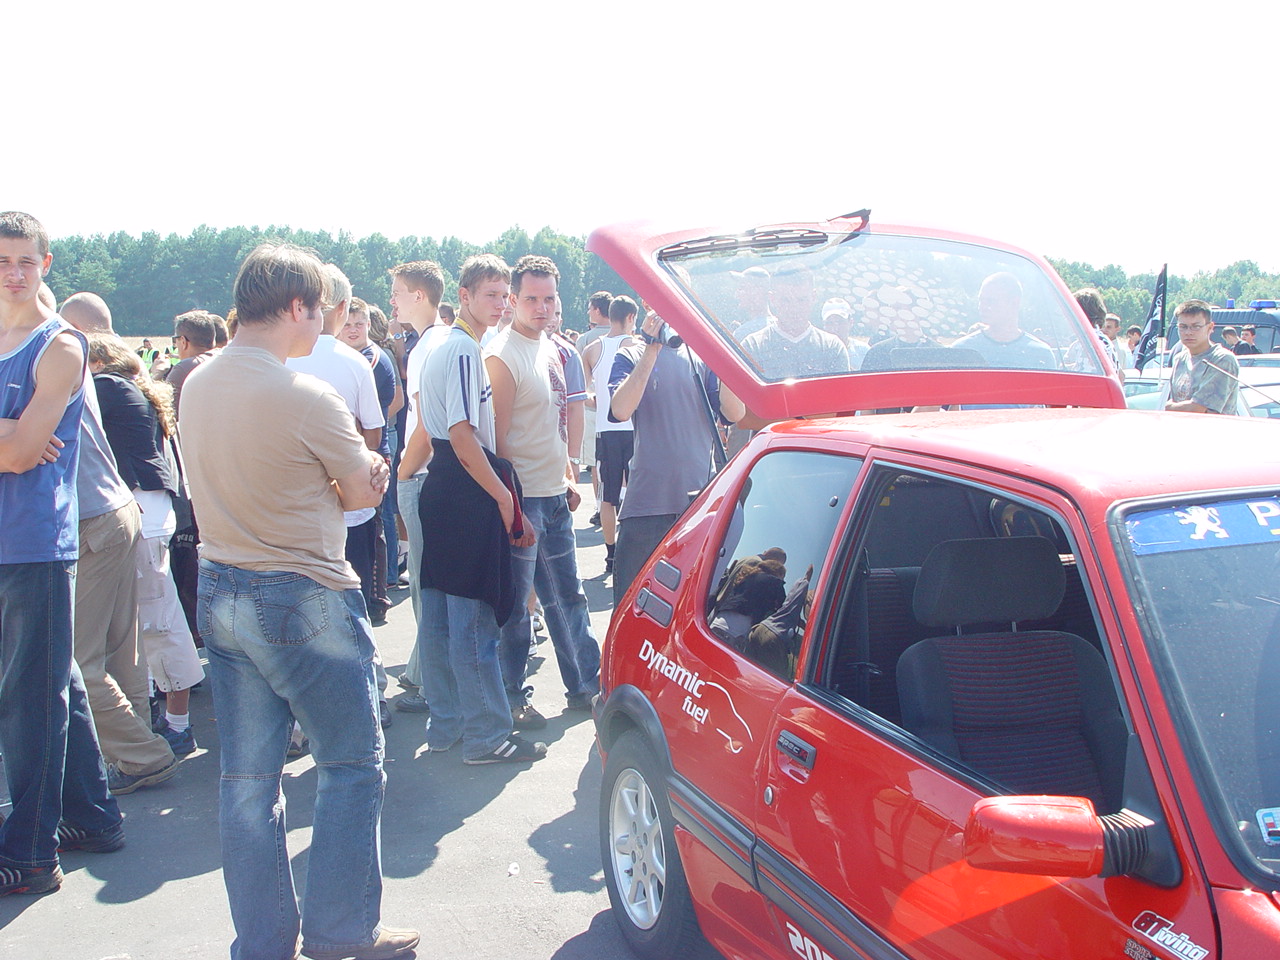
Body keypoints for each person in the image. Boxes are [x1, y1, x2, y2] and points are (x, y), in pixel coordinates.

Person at [182, 242, 416, 960]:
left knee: (248, 781)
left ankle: (263, 939)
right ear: (295, 307)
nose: (329, 320)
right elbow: (356, 496)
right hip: (302, 592)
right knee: (350, 762)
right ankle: (343, 927)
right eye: (322, 307)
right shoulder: (305, 394)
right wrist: (373, 469)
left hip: (221, 585)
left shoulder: (196, 380)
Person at [0, 211, 124, 898]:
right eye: (3, 261)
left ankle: (30, 851)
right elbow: (13, 445)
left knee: (29, 699)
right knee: (52, 681)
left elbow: (23, 453)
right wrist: (12, 436)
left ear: (45, 263)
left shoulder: (60, 346)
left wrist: (18, 441)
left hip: (33, 543)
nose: (15, 273)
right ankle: (92, 816)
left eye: (26, 260)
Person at [401, 252, 547, 764]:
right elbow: (463, 438)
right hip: (465, 487)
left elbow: (434, 428)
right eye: (491, 293)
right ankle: (486, 735)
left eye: (504, 293)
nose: (501, 303)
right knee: (472, 622)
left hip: (446, 486)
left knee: (441, 617)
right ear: (463, 296)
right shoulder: (462, 350)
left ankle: (448, 724)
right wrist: (507, 502)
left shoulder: (445, 347)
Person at [63, 297, 180, 797]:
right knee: (121, 651)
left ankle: (143, 755)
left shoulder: (83, 377)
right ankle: (137, 750)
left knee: (78, 661)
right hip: (119, 512)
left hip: (95, 519)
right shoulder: (112, 384)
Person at [485, 256, 600, 725]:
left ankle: (586, 685)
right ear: (513, 299)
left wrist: (569, 473)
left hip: (554, 493)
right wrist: (511, 505)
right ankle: (512, 697)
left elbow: (556, 421)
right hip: (522, 498)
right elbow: (498, 438)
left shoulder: (553, 348)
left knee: (567, 595)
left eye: (549, 298)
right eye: (531, 298)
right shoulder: (501, 354)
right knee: (516, 609)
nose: (541, 306)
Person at [88, 334, 205, 757]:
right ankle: (166, 720)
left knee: (157, 624)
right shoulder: (130, 390)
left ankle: (177, 725)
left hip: (139, 516)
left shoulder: (107, 388)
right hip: (149, 513)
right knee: (147, 625)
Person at [286, 265, 392, 724]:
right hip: (349, 509)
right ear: (345, 308)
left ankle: (304, 714)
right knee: (352, 606)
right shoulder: (353, 362)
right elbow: (373, 432)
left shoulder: (280, 359)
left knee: (299, 614)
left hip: (293, 511)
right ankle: (370, 695)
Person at [608, 305, 745, 604]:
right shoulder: (630, 354)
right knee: (632, 606)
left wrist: (723, 355)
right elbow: (620, 410)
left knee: (691, 607)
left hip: (698, 505)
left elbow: (733, 413)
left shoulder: (702, 358)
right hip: (646, 507)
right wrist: (651, 350)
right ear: (647, 305)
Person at [388, 260, 448, 713]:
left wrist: (403, 473)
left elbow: (427, 424)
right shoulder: (437, 340)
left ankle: (429, 683)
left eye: (397, 292)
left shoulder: (429, 347)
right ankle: (420, 671)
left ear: (420, 296)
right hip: (431, 473)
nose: (391, 300)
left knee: (424, 583)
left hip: (422, 473)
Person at [582, 295, 637, 572]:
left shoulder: (592, 349)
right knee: (638, 491)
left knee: (608, 496)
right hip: (635, 427)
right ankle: (633, 550)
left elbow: (585, 395)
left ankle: (611, 554)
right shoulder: (638, 346)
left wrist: (600, 401)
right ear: (630, 318)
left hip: (607, 429)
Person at [740, 265, 850, 380]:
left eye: (802, 300)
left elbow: (843, 394)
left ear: (813, 297)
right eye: (785, 300)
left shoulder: (832, 347)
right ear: (772, 299)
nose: (794, 308)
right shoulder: (752, 347)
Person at [951, 272, 1056, 369]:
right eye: (981, 300)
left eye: (990, 301)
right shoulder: (962, 350)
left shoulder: (1040, 355)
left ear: (1014, 303)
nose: (982, 307)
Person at [1166, 299, 1240, 415]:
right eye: (1183, 327)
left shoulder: (1222, 359)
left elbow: (1197, 409)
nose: (1188, 332)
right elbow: (1173, 400)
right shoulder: (1179, 359)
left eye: (1196, 327)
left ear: (1210, 327)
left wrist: (1170, 407)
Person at [159, 309, 220, 416]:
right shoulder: (223, 360)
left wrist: (157, 373)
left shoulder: (184, 369)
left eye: (175, 340)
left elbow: (163, 414)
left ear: (183, 341)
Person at [732, 265, 775, 340]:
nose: (737, 295)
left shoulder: (744, 333)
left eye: (742, 288)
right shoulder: (780, 327)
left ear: (758, 293)